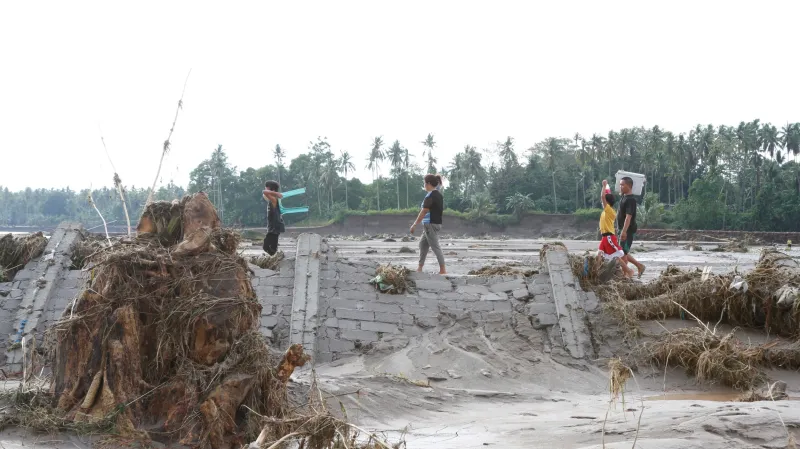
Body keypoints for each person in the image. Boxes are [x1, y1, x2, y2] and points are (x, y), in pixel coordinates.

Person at [410, 174, 446, 275]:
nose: (424, 185)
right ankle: (419, 268)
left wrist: (414, 224)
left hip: (430, 224)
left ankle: (443, 270)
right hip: (433, 224)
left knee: (435, 247)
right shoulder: (438, 194)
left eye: (424, 183)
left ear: (429, 184)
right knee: (422, 244)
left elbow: (424, 211)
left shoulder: (430, 196)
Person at [598, 180, 634, 278]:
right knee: (599, 255)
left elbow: (602, 197)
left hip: (609, 236)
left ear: (607, 202)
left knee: (617, 256)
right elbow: (606, 196)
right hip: (604, 237)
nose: (602, 203)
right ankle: (598, 272)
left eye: (604, 202)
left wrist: (604, 186)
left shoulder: (609, 210)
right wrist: (607, 190)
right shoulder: (607, 211)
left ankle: (628, 271)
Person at [617, 176, 646, 278]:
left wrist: (624, 232)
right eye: (620, 184)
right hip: (622, 229)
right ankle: (639, 266)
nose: (620, 186)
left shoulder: (631, 200)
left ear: (629, 186)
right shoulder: (624, 197)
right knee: (622, 252)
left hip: (628, 230)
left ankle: (625, 275)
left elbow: (628, 217)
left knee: (622, 253)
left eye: (622, 185)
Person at [262, 180, 285, 256]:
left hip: (274, 229)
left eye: (267, 188)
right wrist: (275, 193)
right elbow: (264, 193)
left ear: (272, 190)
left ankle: (276, 258)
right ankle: (274, 258)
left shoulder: (274, 199)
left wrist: (276, 193)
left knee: (267, 248)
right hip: (272, 228)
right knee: (270, 248)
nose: (265, 189)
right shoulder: (272, 199)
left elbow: (264, 192)